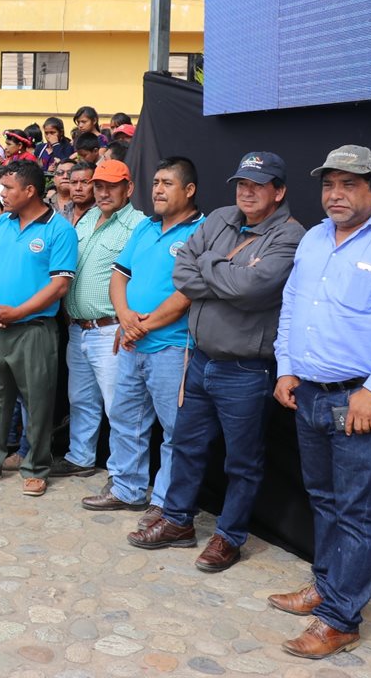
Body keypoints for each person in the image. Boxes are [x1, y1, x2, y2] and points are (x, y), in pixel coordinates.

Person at [268, 145, 371, 659]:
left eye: (349, 184)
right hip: (310, 395)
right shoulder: (314, 238)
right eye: (328, 184)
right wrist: (286, 366)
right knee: (323, 500)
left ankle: (341, 620)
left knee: (358, 513)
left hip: (361, 401)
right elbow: (293, 306)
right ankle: (326, 586)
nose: (335, 195)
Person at [128, 151, 305, 571]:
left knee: (242, 461)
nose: (247, 192)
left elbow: (251, 289)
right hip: (201, 358)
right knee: (186, 446)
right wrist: (226, 270)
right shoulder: (222, 217)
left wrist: (208, 265)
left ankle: (229, 536)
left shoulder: (291, 235)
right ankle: (177, 521)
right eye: (242, 183)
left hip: (245, 368)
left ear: (279, 192)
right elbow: (182, 273)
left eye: (258, 185)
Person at [81, 157, 204, 519]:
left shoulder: (202, 230)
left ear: (189, 190)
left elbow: (189, 292)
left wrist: (141, 326)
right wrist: (124, 316)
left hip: (173, 347)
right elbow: (119, 276)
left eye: (167, 183)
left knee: (175, 430)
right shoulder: (146, 227)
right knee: (125, 419)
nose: (158, 190)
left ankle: (166, 503)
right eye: (155, 183)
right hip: (132, 344)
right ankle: (127, 488)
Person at [0, 159, 78, 495]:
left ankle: (36, 467)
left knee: (38, 403)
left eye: (8, 188)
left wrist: (18, 312)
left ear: (30, 191)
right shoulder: (1, 224)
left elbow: (59, 285)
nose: (2, 194)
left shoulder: (59, 230)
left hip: (34, 330)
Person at [52, 159, 146, 478]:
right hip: (78, 328)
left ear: (128, 188)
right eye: (99, 186)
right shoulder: (86, 218)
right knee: (81, 400)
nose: (104, 193)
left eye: (112, 187)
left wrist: (128, 321)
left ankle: (123, 477)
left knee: (119, 407)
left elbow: (143, 278)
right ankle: (80, 457)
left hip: (111, 329)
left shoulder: (139, 225)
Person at [66, 160, 97, 225]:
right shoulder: (61, 213)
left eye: (85, 182)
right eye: (73, 182)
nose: (78, 188)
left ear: (96, 185)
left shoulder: (103, 215)